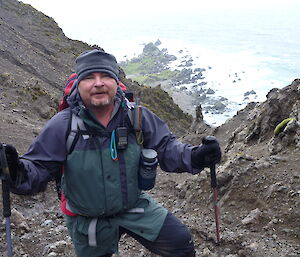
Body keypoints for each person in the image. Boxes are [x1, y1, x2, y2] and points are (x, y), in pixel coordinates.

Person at [3, 49, 221, 257]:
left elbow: (167, 147)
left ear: (116, 82)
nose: (98, 83)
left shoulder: (136, 117)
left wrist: (196, 156)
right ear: (79, 85)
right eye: (89, 77)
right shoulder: (63, 125)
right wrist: (14, 170)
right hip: (87, 220)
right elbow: (38, 168)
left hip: (134, 207)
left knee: (181, 243)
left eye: (105, 76)